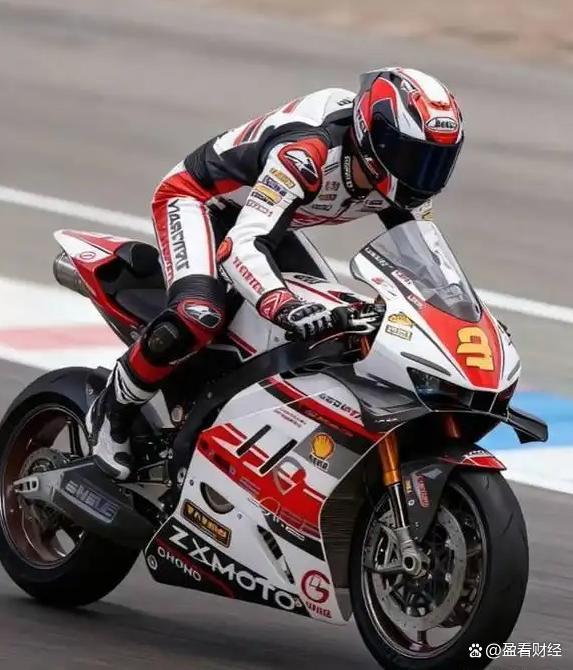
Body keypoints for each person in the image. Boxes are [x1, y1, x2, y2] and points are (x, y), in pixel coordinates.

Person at [87, 67, 464, 480]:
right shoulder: (306, 153)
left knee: (334, 327)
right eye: (414, 157)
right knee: (199, 313)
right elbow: (242, 246)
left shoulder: (403, 184)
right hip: (201, 202)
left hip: (271, 219)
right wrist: (282, 304)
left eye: (437, 161)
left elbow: (427, 261)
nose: (424, 174)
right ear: (374, 138)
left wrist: (461, 320)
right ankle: (112, 408)